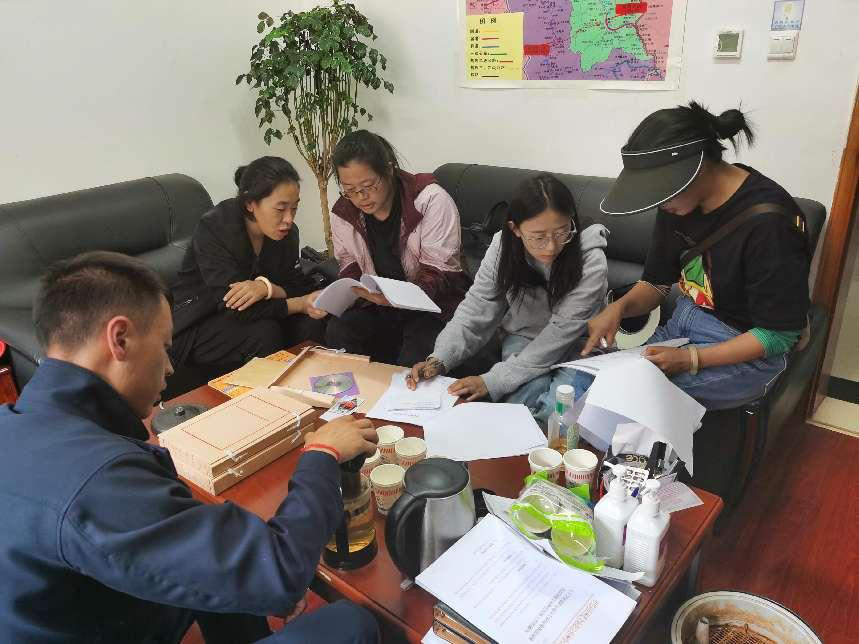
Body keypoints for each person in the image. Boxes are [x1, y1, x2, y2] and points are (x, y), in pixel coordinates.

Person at [0, 251, 379, 643]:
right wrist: (322, 455)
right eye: (165, 346)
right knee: (352, 624)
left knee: (231, 584)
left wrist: (252, 585)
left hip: (96, 614)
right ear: (120, 339)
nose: (169, 367)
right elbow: (281, 570)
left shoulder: (13, 423)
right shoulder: (95, 478)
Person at [575, 101, 810, 410]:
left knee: (625, 397)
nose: (659, 205)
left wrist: (691, 359)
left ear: (696, 168)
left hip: (746, 349)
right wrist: (619, 308)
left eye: (662, 194)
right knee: (587, 380)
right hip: (682, 326)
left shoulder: (770, 223)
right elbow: (656, 284)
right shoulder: (677, 203)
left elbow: (777, 337)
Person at [407, 173, 608, 423]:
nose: (551, 247)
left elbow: (560, 334)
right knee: (517, 409)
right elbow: (477, 308)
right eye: (538, 237)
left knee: (557, 416)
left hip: (581, 345)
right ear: (515, 229)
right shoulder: (503, 249)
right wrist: (440, 358)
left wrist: (492, 381)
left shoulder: (590, 259)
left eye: (561, 232)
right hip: (524, 337)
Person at [325, 130, 469, 366]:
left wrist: (397, 298)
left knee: (417, 353)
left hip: (434, 307)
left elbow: (439, 273)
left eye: (368, 185)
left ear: (389, 170)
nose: (361, 197)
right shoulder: (344, 211)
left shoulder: (430, 200)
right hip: (380, 305)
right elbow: (349, 263)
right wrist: (353, 290)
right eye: (350, 189)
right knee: (340, 330)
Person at [171, 156, 328, 371]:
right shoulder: (215, 227)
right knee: (264, 332)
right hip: (201, 320)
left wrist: (266, 287)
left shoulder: (288, 234)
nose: (289, 219)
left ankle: (314, 386)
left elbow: (297, 286)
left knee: (312, 321)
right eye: (280, 209)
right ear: (250, 204)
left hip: (260, 311)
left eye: (294, 208)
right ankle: (269, 392)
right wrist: (299, 304)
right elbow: (237, 307)